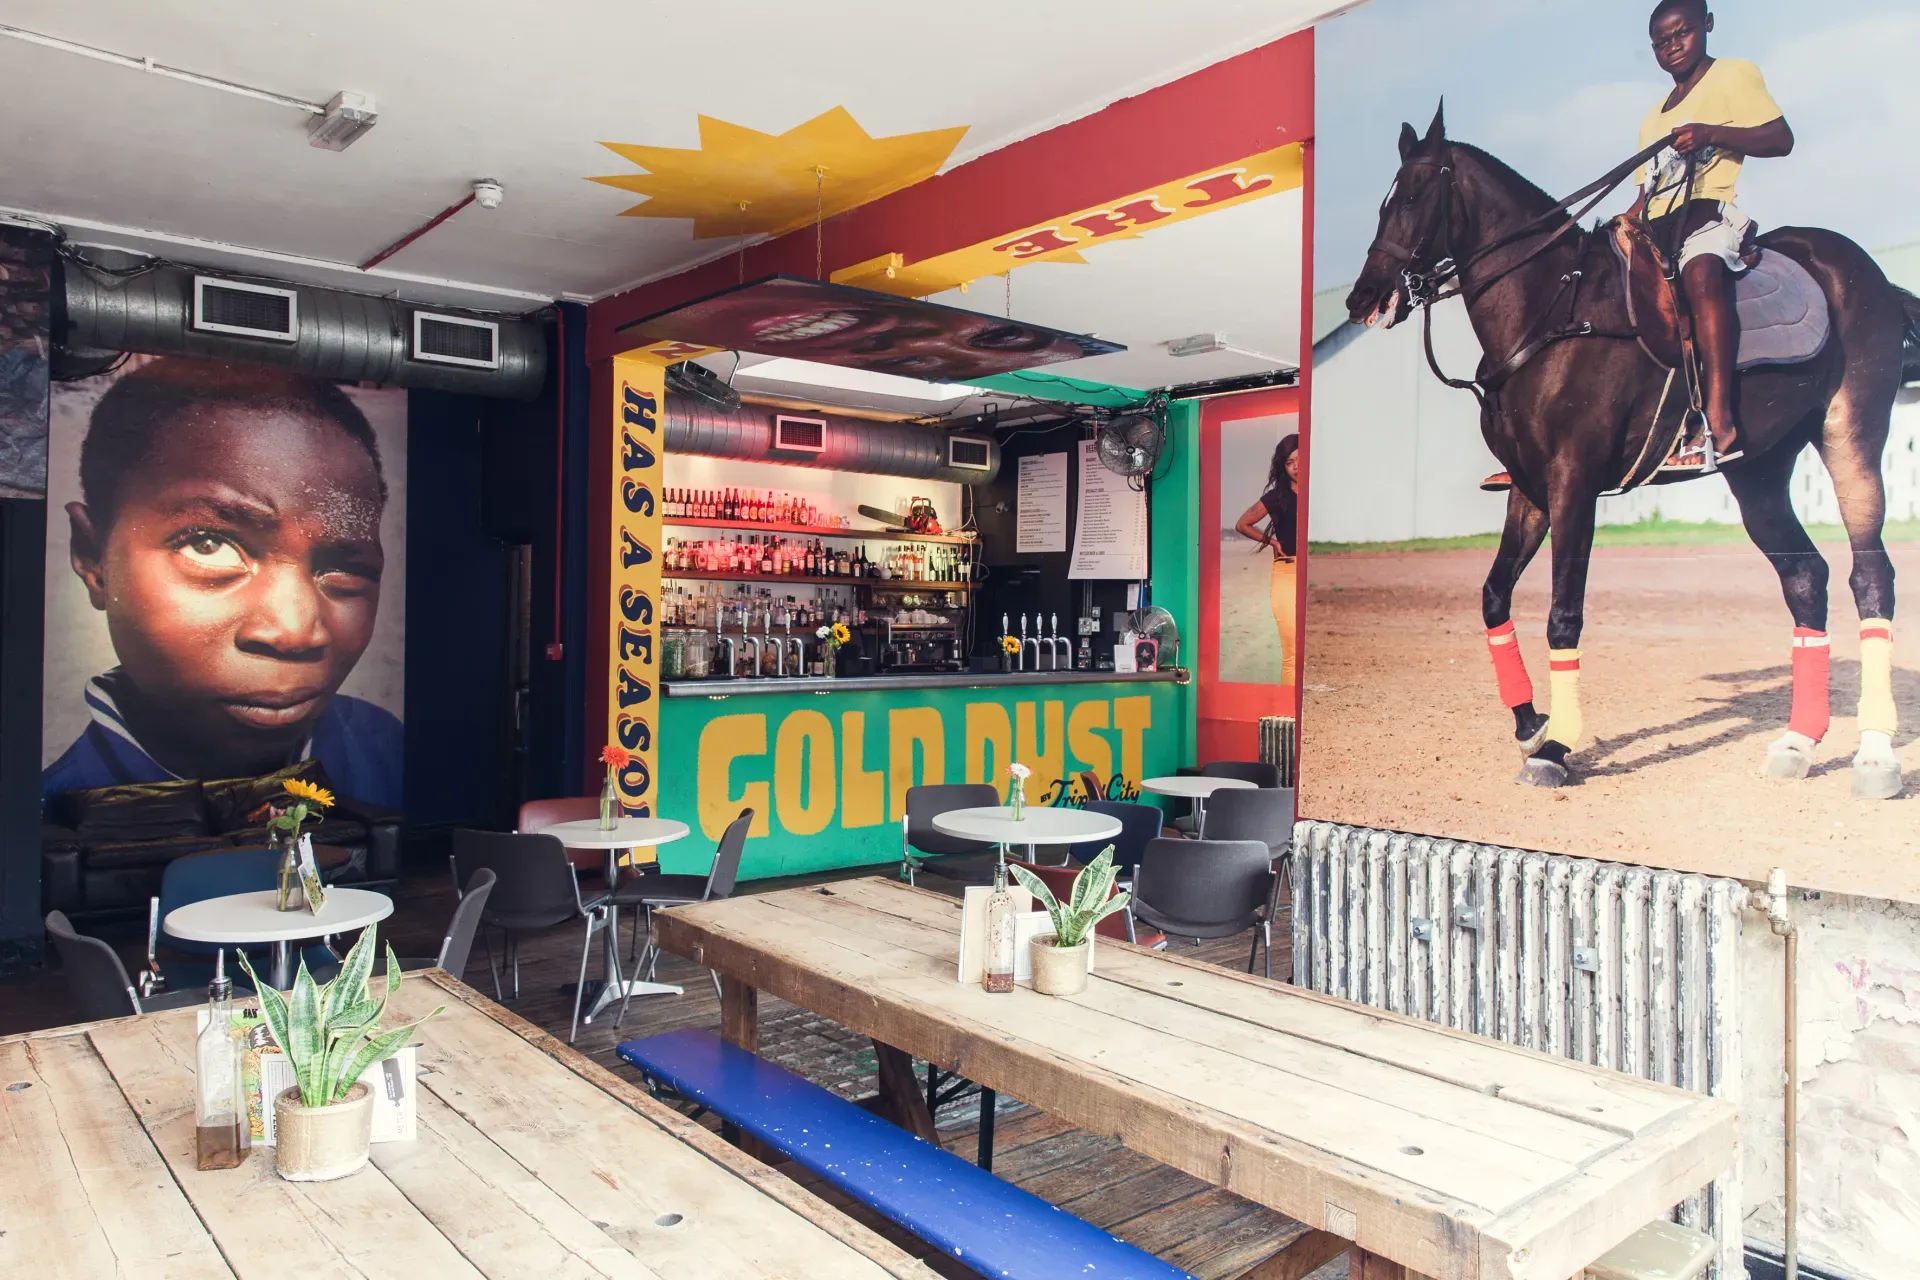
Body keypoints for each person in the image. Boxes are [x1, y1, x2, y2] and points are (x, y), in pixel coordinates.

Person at [41, 358, 402, 808]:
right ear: (93, 559)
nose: (295, 632)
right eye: (209, 545)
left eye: (344, 568)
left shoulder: (385, 749)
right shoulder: (51, 816)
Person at [1636, 0, 1793, 472]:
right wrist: (1624, 225)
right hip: (1658, 228)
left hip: (1709, 216)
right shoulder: (1652, 117)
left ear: (1706, 25)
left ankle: (1720, 421)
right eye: (1660, 41)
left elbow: (1780, 139)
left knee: (1701, 273)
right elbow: (1645, 193)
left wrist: (1711, 132)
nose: (1672, 46)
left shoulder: (1732, 75)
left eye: (1681, 33)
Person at [1232, 433, 1300, 686]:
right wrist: (1271, 541)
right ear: (1282, 466)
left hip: (1316, 577)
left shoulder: (1320, 495)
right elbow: (1243, 524)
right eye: (1289, 461)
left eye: (1301, 459)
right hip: (1287, 573)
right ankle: (1289, 714)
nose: (1296, 466)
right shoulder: (1277, 496)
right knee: (1292, 653)